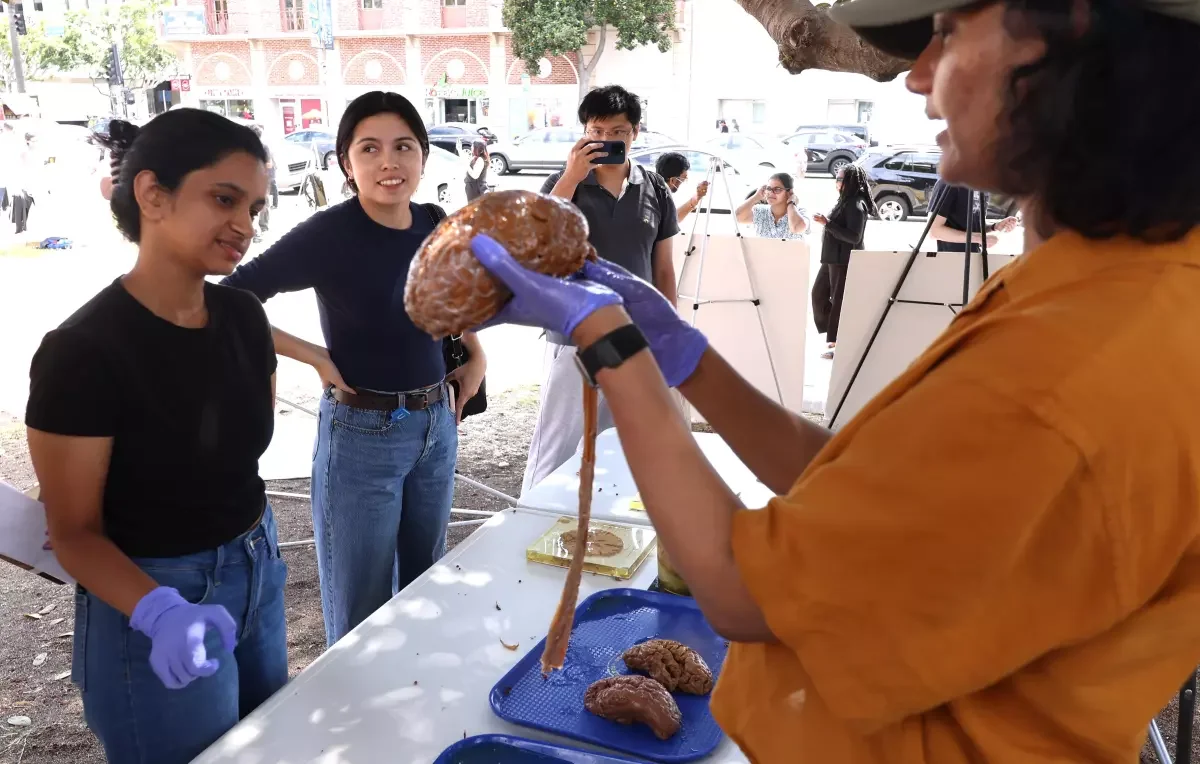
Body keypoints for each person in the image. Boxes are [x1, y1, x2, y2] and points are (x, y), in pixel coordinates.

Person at [459, 0, 1200, 760]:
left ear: (1070, 28)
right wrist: (684, 353)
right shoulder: (1114, 288)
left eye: (946, 32)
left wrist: (607, 339)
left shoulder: (1067, 365)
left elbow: (739, 589)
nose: (916, 76)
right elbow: (854, 492)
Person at [25, 108, 286, 764]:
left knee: (267, 747)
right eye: (223, 199)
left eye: (254, 207)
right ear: (152, 195)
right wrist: (160, 612)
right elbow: (74, 532)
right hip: (155, 597)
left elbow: (240, 457)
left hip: (258, 563)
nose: (244, 225)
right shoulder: (83, 351)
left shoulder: (244, 317)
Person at [222, 91, 485, 647]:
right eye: (370, 148)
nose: (388, 162)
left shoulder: (436, 222)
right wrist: (315, 356)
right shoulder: (330, 233)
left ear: (423, 157)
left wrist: (475, 351)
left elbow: (453, 300)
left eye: (403, 147)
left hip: (437, 425)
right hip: (363, 434)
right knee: (361, 614)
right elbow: (230, 301)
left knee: (426, 590)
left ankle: (416, 709)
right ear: (347, 162)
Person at [523, 84, 679, 495]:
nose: (607, 141)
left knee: (617, 443)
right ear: (583, 133)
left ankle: (601, 536)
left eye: (619, 132)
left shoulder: (655, 188)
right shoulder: (565, 183)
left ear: (636, 134)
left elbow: (663, 267)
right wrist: (573, 176)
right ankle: (533, 520)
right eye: (597, 131)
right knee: (555, 447)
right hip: (574, 338)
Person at [811, 163, 875, 358]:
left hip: (844, 261)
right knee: (818, 295)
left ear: (851, 181)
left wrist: (827, 223)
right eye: (837, 179)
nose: (837, 182)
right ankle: (835, 335)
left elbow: (854, 237)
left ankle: (838, 342)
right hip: (831, 258)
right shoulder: (845, 200)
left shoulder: (856, 204)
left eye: (840, 179)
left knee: (839, 302)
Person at [930, 178, 1018, 251]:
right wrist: (980, 239)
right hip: (952, 259)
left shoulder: (983, 188)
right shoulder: (949, 183)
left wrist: (995, 226)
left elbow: (975, 226)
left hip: (976, 256)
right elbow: (934, 231)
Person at [735, 172, 809, 239]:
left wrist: (791, 203)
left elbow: (796, 228)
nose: (771, 193)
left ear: (789, 192)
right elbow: (737, 217)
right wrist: (756, 197)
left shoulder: (800, 213)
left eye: (777, 189)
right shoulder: (761, 211)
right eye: (769, 189)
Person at [654, 151, 709, 223]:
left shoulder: (657, 193)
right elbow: (670, 223)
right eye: (684, 178)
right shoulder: (655, 201)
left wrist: (697, 197)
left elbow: (672, 220)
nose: (683, 181)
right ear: (672, 180)